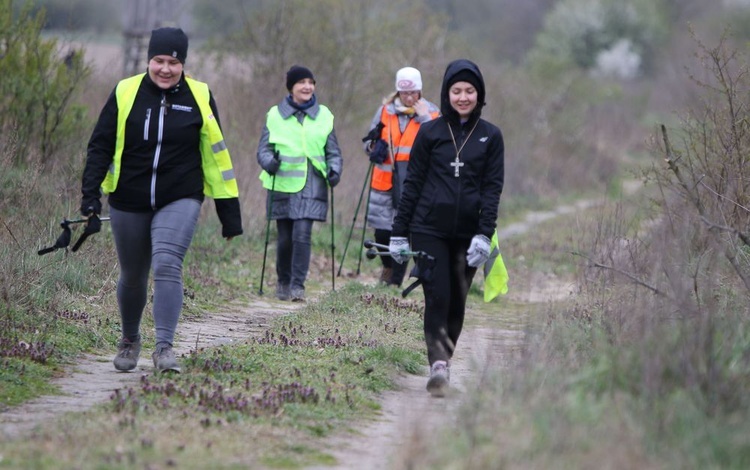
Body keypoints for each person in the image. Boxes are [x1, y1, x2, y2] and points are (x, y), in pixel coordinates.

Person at [80, 27, 243, 374]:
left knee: (168, 262)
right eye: (158, 61)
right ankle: (129, 339)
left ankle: (165, 347)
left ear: (183, 63)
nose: (165, 69)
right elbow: (100, 146)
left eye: (173, 61)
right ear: (148, 60)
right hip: (128, 197)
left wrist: (230, 214)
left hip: (181, 195)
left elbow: (216, 156)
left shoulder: (199, 95)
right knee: (134, 275)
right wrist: (90, 197)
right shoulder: (126, 91)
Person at [389, 59, 504, 397]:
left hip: (469, 234)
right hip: (428, 229)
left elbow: (492, 189)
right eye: (457, 90)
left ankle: (446, 356)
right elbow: (411, 186)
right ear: (446, 93)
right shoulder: (430, 132)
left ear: (479, 94)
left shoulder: (491, 136)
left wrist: (484, 234)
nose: (463, 97)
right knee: (437, 295)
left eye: (470, 91)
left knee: (457, 300)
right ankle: (438, 364)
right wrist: (399, 233)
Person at [257, 65, 343, 302]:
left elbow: (332, 151)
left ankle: (298, 286)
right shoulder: (275, 114)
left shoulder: (324, 115)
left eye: (311, 82)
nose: (307, 87)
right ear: (291, 87)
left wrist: (335, 169)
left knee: (302, 234)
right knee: (284, 239)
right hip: (282, 185)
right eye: (301, 82)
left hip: (312, 184)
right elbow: (263, 149)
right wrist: (268, 162)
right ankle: (283, 281)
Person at [363, 66, 439, 287]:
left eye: (413, 92)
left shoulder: (432, 113)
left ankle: (394, 282)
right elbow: (368, 141)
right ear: (397, 92)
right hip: (384, 183)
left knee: (405, 232)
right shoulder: (385, 111)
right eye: (404, 93)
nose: (409, 97)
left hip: (416, 184)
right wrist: (372, 147)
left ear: (420, 91)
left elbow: (439, 143)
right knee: (382, 234)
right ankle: (388, 267)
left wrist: (424, 118)